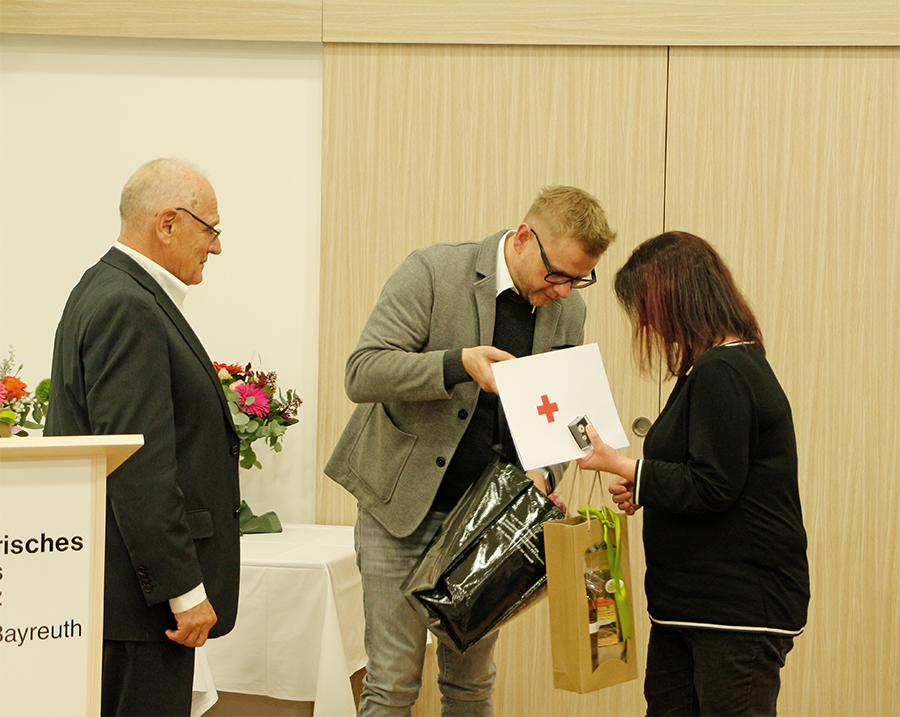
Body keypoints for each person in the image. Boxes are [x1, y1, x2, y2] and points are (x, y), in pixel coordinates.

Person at [326, 186, 616, 715]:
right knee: (392, 682)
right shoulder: (433, 272)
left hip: (488, 523)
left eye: (579, 279)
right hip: (401, 511)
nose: (564, 292)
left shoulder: (567, 310)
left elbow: (558, 416)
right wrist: (456, 363)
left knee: (471, 684)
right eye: (557, 275)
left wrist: (545, 473)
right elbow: (363, 372)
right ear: (524, 238)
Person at [577, 231, 810, 716]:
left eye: (647, 307)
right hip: (690, 605)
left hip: (734, 610)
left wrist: (622, 465)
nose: (646, 322)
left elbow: (713, 485)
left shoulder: (725, 371)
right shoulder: (712, 366)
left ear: (678, 296)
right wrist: (645, 484)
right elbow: (704, 470)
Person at [45, 158, 242, 717]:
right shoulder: (127, 305)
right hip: (137, 603)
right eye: (211, 229)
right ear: (168, 224)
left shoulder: (110, 289)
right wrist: (185, 590)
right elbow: (138, 464)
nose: (217, 247)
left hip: (128, 597)